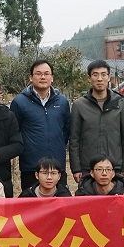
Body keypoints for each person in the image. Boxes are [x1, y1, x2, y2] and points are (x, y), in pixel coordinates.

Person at [11, 59, 72, 191]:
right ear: (31, 77)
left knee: (60, 201)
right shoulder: (19, 102)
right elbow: (15, 131)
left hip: (57, 166)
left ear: (52, 78)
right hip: (31, 167)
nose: (43, 77)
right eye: (38, 73)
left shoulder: (62, 102)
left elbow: (66, 130)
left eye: (46, 73)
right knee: (32, 202)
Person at [69, 60, 124, 184]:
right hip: (88, 168)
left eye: (103, 74)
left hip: (114, 167)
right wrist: (76, 168)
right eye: (95, 74)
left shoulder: (120, 102)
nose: (99, 79)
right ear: (89, 78)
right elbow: (74, 139)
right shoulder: (79, 105)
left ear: (109, 77)